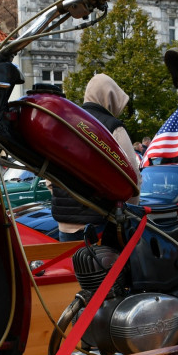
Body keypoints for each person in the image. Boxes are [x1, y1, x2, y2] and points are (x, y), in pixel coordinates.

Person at [51, 74, 139, 241]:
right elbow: (132, 177)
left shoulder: (65, 121)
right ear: (111, 97)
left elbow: (50, 173)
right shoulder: (113, 127)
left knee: (70, 267)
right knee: (107, 267)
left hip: (64, 224)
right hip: (100, 222)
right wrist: (131, 209)